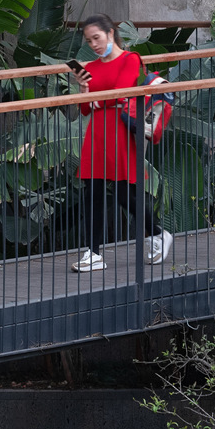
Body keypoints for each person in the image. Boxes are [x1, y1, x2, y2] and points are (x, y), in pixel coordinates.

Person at [66, 15, 173, 273]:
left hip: (120, 131)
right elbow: (85, 109)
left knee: (125, 194)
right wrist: (83, 88)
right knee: (92, 192)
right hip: (97, 132)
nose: (93, 44)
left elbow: (122, 92)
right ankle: (93, 253)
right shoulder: (91, 67)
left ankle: (158, 234)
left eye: (97, 38)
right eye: (89, 40)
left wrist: (97, 100)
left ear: (110, 34)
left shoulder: (130, 59)